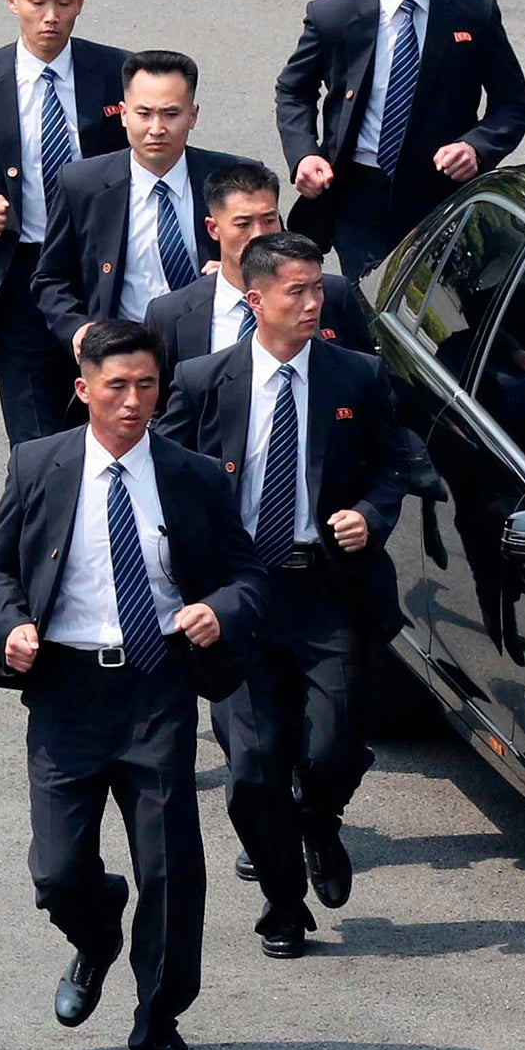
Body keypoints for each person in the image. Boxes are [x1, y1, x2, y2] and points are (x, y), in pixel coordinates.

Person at [0, 318, 264, 1050]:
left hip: (154, 684)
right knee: (58, 870)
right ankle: (96, 934)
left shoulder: (193, 476)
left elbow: (248, 577)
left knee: (169, 868)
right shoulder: (38, 464)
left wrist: (220, 610)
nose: (134, 401)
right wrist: (10, 627)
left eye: (146, 386)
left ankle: (159, 1020)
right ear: (84, 390)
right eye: (117, 387)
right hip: (66, 690)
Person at [157, 233, 406, 957]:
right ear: (256, 299)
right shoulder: (205, 380)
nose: (310, 302)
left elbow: (395, 464)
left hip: (327, 589)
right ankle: (282, 903)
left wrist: (372, 514)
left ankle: (320, 822)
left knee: (332, 748)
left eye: (316, 289)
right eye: (294, 291)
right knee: (253, 769)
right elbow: (164, 477)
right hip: (242, 598)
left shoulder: (355, 375)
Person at [275, 0, 525, 279]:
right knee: (367, 302)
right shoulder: (335, 16)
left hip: (441, 193)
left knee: (441, 306)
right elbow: (294, 90)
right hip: (357, 194)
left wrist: (476, 147)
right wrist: (304, 154)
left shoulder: (472, 11)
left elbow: (514, 105)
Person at [0, 0, 131, 444]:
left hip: (102, 276)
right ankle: (43, 519)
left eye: (63, 2)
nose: (50, 17)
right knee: (37, 442)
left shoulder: (118, 74)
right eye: (37, 2)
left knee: (109, 426)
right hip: (18, 280)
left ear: (80, 0)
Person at [31, 52, 245, 357]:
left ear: (193, 115)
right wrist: (77, 328)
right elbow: (51, 278)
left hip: (214, 353)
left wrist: (236, 274)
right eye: (144, 113)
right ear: (123, 114)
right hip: (127, 355)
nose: (156, 128)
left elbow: (276, 264)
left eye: (171, 114)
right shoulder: (82, 184)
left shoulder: (235, 178)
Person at [145, 161, 372, 392]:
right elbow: (161, 406)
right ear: (213, 228)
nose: (259, 235)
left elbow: (367, 381)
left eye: (269, 220)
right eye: (243, 224)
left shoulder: (331, 295)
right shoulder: (171, 315)